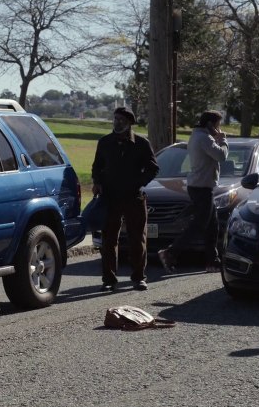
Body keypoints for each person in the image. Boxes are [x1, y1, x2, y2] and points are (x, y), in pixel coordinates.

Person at [92, 106, 159, 292]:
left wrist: (138, 182)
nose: (117, 123)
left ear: (130, 123)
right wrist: (97, 182)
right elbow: (97, 166)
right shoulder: (104, 142)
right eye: (115, 119)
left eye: (121, 120)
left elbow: (153, 168)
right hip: (110, 198)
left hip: (134, 197)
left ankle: (139, 278)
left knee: (137, 239)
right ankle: (109, 280)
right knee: (109, 241)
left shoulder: (141, 143)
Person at [158, 110, 229, 274]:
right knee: (200, 224)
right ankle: (170, 252)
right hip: (201, 187)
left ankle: (212, 261)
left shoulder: (199, 136)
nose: (219, 128)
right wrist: (223, 140)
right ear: (211, 124)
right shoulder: (203, 138)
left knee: (212, 226)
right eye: (218, 125)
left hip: (202, 186)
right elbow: (221, 156)